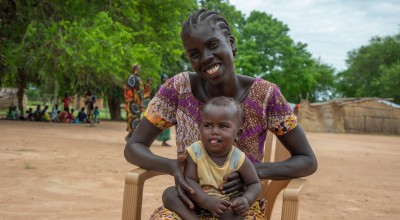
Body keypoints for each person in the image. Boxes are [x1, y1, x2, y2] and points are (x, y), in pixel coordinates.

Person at [124, 9, 317, 219]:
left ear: (231, 43)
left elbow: (307, 160)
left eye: (213, 45)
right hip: (191, 204)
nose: (206, 58)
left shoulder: (265, 95)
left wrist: (255, 171)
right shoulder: (177, 90)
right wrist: (173, 167)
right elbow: (134, 147)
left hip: (239, 207)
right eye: (194, 54)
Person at [163, 97, 261, 219]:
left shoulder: (238, 158)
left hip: (225, 205)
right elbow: (189, 180)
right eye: (208, 125)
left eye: (223, 126)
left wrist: (246, 199)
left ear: (238, 134)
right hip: (197, 202)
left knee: (236, 212)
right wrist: (207, 201)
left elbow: (255, 183)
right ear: (201, 128)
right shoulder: (195, 151)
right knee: (169, 194)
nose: (214, 131)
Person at [124, 64, 144, 139]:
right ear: (135, 69)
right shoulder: (132, 77)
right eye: (139, 68)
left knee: (137, 117)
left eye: (140, 68)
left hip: (138, 102)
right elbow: (129, 89)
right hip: (133, 102)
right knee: (132, 117)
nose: (140, 69)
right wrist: (133, 99)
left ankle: (132, 135)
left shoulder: (138, 78)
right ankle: (130, 135)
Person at [156, 73, 172, 146]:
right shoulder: (160, 86)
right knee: (161, 123)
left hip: (168, 107)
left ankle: (164, 140)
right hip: (161, 107)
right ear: (161, 79)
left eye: (166, 78)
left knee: (167, 124)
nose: (165, 79)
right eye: (164, 78)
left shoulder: (169, 86)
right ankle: (159, 139)